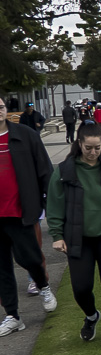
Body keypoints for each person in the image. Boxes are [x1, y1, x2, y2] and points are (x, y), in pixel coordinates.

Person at [47, 123, 101, 348]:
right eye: (88, 148)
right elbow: (55, 206)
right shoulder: (65, 171)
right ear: (79, 144)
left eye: (97, 147)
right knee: (81, 288)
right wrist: (57, 235)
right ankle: (91, 316)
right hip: (78, 237)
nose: (93, 152)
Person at [0, 114, 58, 335]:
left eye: (1, 106)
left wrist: (49, 203)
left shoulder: (25, 135)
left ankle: (43, 285)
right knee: (2, 269)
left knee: (29, 258)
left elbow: (45, 170)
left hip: (19, 212)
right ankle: (13, 316)